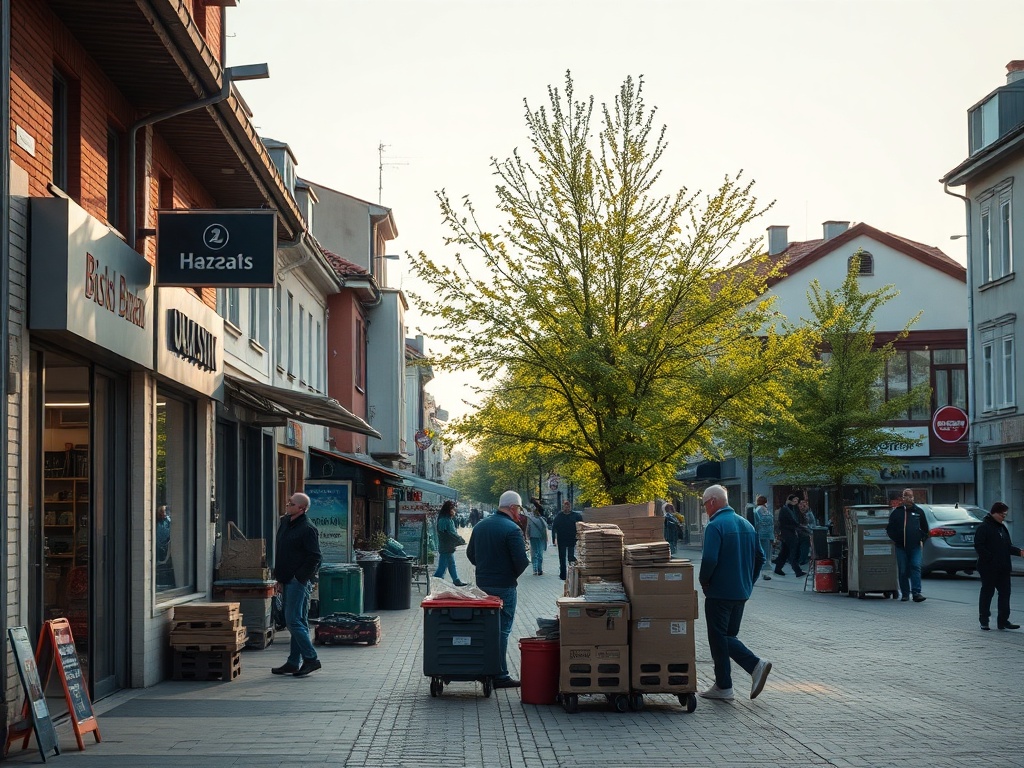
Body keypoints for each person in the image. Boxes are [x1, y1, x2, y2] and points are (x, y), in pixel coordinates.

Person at [697, 484, 772, 702]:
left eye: (704, 504)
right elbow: (760, 556)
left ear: (712, 502)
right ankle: (724, 685)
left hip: (719, 593)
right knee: (728, 637)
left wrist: (705, 581)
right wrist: (749, 581)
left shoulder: (715, 526)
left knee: (718, 637)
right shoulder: (746, 524)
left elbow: (710, 559)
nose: (705, 509)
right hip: (740, 592)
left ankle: (750, 667)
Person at [466, 490, 530, 689]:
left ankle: (485, 669)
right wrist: (509, 575)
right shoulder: (512, 529)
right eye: (518, 508)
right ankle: (500, 675)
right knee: (502, 630)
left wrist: (484, 570)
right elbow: (522, 561)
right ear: (512, 508)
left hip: (483, 584)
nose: (519, 512)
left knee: (486, 628)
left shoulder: (480, 526)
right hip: (504, 586)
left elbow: (470, 554)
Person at [272, 492, 323, 677]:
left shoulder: (308, 529)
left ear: (301, 508)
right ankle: (294, 662)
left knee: (293, 621)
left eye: (291, 503)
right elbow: (282, 552)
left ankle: (311, 659)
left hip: (297, 581)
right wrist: (279, 578)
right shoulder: (285, 523)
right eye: (288, 501)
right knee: (297, 621)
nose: (287, 505)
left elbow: (315, 556)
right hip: (287, 579)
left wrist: (299, 577)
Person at [974, 501, 1022, 631]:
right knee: (987, 593)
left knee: (1005, 594)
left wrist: (1019, 552)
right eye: (1002, 514)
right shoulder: (984, 527)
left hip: (1004, 568)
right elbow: (979, 545)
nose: (1004, 517)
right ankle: (984, 620)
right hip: (988, 567)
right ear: (994, 513)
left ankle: (1003, 621)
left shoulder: (1002, 527)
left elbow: (1007, 547)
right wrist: (990, 558)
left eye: (1005, 515)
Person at [885, 488, 929, 603]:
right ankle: (905, 594)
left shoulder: (919, 512)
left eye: (910, 496)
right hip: (901, 546)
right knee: (903, 570)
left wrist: (921, 539)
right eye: (906, 496)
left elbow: (925, 528)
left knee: (915, 566)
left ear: (913, 498)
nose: (908, 499)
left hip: (915, 546)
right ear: (902, 498)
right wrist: (896, 539)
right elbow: (890, 529)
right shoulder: (897, 512)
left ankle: (916, 593)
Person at [433, 500, 470, 586]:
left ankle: (456, 580)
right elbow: (446, 533)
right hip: (445, 546)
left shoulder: (449, 519)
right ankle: (436, 582)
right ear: (448, 509)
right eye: (453, 509)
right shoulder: (443, 520)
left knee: (451, 564)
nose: (454, 511)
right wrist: (458, 539)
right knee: (442, 567)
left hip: (449, 546)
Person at [774, 493, 805, 577]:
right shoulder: (786, 509)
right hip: (789, 534)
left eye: (797, 500)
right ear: (790, 500)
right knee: (793, 552)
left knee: (784, 552)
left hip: (787, 533)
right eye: (795, 500)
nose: (796, 501)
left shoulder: (789, 509)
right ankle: (797, 571)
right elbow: (791, 522)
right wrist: (798, 526)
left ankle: (778, 568)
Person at [551, 500, 582, 580]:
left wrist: (580, 537)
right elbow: (554, 527)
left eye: (568, 506)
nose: (567, 507)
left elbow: (581, 526)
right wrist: (553, 539)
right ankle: (563, 574)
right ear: (563, 507)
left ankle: (572, 573)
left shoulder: (576, 516)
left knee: (571, 557)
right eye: (565, 506)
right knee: (562, 557)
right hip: (562, 539)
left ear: (570, 507)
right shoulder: (559, 516)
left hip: (572, 539)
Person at [753, 495, 775, 581]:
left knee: (760, 554)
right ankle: (765, 573)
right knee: (766, 554)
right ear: (766, 502)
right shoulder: (767, 512)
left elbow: (756, 524)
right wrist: (772, 536)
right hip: (768, 536)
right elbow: (771, 525)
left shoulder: (756, 511)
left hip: (759, 535)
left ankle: (761, 572)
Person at [526, 501, 549, 575]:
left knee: (534, 553)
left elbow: (528, 528)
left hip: (533, 537)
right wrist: (546, 538)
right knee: (540, 553)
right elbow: (544, 529)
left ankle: (534, 570)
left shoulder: (530, 519)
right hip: (540, 538)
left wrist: (528, 536)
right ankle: (539, 570)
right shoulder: (542, 520)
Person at [797, 499, 815, 567]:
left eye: (804, 506)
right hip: (802, 532)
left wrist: (804, 526)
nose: (802, 507)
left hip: (806, 533)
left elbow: (812, 525)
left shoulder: (809, 514)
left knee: (804, 546)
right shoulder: (801, 513)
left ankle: (802, 559)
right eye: (801, 505)